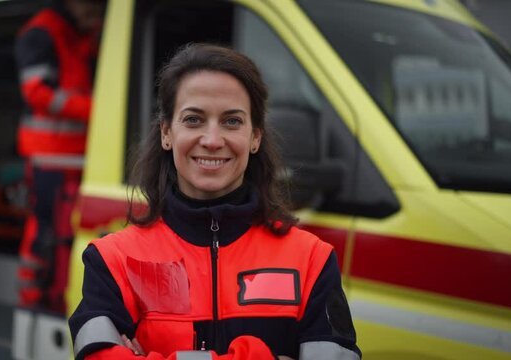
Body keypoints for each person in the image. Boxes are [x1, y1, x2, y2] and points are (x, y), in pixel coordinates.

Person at [68, 43, 361, 359]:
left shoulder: (312, 261)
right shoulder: (112, 261)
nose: (211, 140)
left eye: (232, 121)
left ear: (255, 137)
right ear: (167, 132)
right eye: (193, 120)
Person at [14, 0, 105, 313]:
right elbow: (37, 93)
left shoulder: (80, 32)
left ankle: (57, 295)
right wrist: (98, 109)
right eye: (92, 9)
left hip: (78, 157)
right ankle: (30, 300)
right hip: (49, 156)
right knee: (44, 230)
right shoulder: (41, 33)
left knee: (68, 232)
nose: (96, 17)